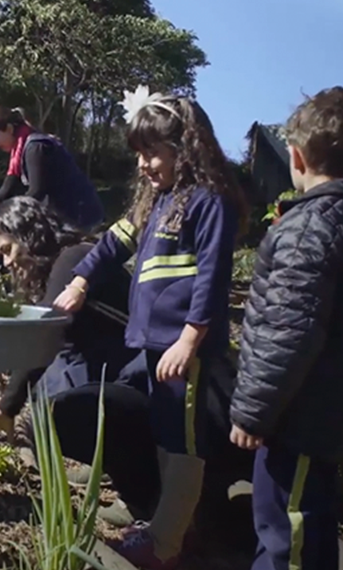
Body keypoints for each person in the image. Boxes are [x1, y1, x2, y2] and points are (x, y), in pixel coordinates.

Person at [54, 86, 248, 569]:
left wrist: (189, 338)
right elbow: (109, 246)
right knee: (162, 434)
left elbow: (211, 278)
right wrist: (79, 282)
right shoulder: (154, 204)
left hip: (183, 348)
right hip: (150, 345)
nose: (144, 165)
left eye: (152, 153)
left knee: (182, 441)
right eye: (140, 155)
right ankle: (175, 524)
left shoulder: (210, 202)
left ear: (185, 149)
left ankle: (165, 544)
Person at [0, 196, 156, 518]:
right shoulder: (61, 262)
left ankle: (142, 497)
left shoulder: (74, 259)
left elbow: (44, 334)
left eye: (8, 250)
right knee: (44, 391)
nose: (7, 263)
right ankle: (110, 463)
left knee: (57, 412)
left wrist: (5, 407)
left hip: (142, 373)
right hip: (113, 363)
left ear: (28, 235)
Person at [230, 87, 343, 570]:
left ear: (296, 157)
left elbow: (288, 329)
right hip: (327, 413)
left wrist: (254, 411)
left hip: (301, 417)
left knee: (286, 530)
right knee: (313, 521)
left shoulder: (307, 227)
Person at [0, 107, 105, 232]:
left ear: (9, 129)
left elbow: (36, 193)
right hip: (65, 217)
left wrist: (8, 219)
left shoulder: (35, 147)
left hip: (80, 216)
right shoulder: (19, 151)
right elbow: (4, 193)